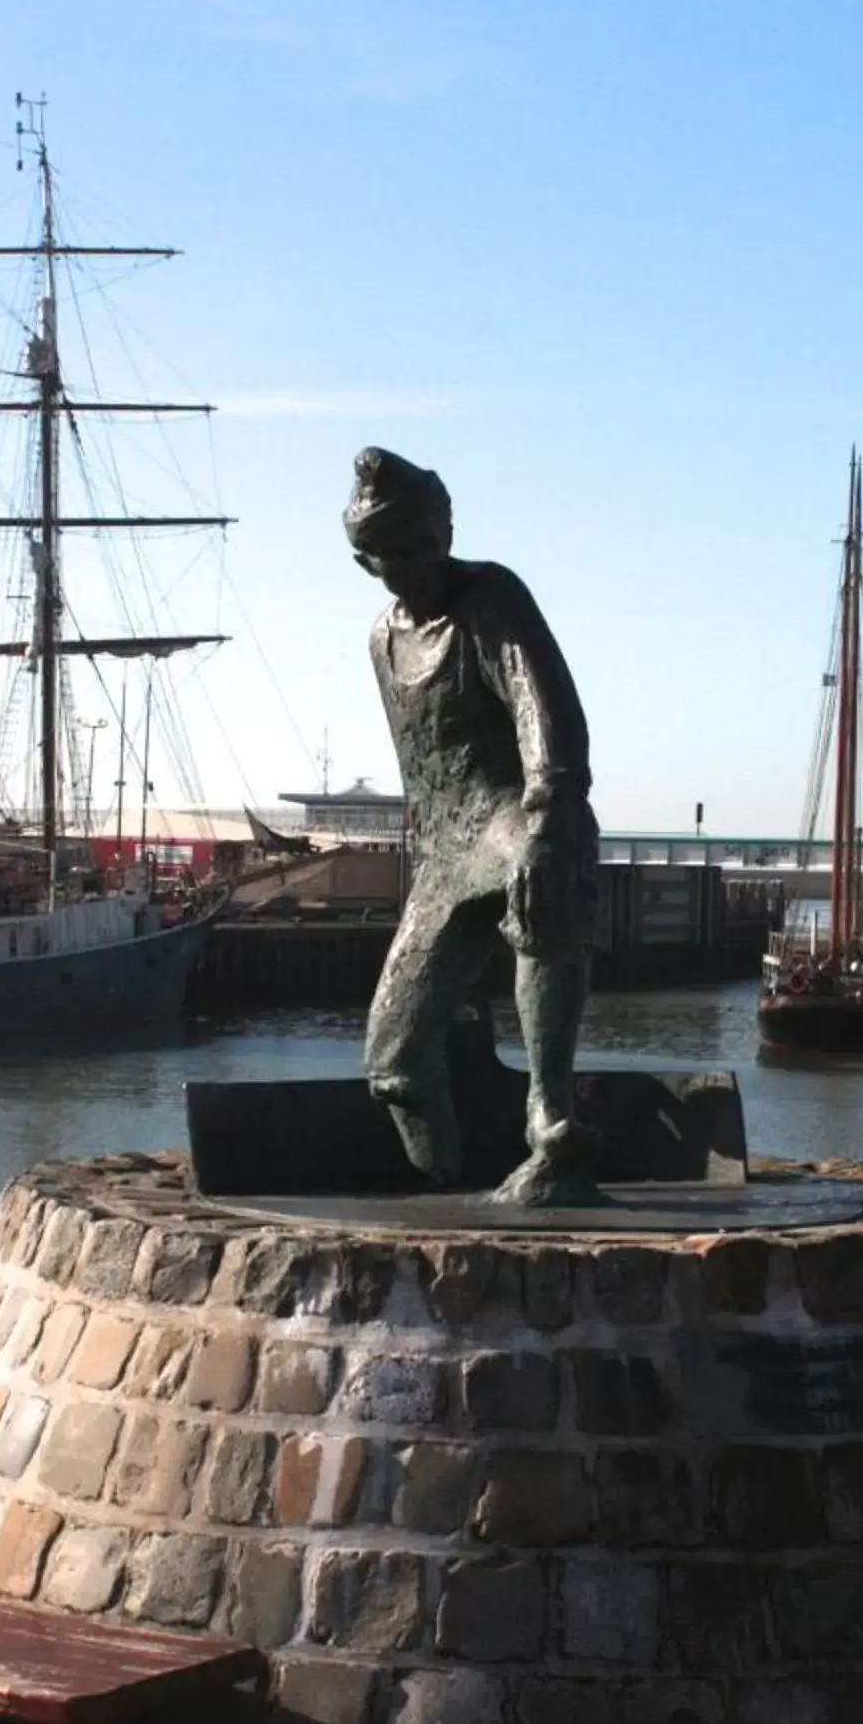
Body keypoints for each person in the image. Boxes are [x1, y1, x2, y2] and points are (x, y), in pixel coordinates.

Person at [345, 448, 600, 1206]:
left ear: (447, 530)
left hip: (516, 821)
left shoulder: (489, 599)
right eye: (392, 555)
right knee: (392, 1065)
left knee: (545, 887)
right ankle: (442, 1181)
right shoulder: (381, 640)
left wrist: (551, 817)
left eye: (425, 545)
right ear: (368, 560)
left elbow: (541, 706)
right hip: (445, 854)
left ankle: (553, 1126)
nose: (413, 565)